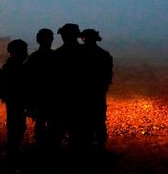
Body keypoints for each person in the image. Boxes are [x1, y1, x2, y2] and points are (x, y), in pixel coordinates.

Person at [54, 23, 86, 151]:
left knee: (58, 131)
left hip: (61, 99)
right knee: (79, 132)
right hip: (81, 98)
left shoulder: (57, 54)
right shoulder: (86, 53)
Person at [80, 29, 113, 151]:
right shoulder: (104, 54)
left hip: (82, 95)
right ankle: (100, 147)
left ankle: (85, 148)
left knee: (84, 122)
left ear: (84, 38)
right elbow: (108, 76)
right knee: (99, 121)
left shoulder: (79, 54)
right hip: (98, 93)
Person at [25, 28, 55, 148]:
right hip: (53, 96)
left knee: (40, 123)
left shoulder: (34, 57)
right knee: (51, 123)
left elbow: (27, 79)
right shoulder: (55, 56)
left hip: (38, 97)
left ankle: (41, 146)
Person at [2, 39, 29, 161]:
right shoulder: (15, 66)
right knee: (17, 126)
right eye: (24, 50)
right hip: (15, 101)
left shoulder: (11, 65)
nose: (26, 53)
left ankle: (13, 150)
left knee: (16, 126)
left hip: (13, 101)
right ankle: (12, 153)